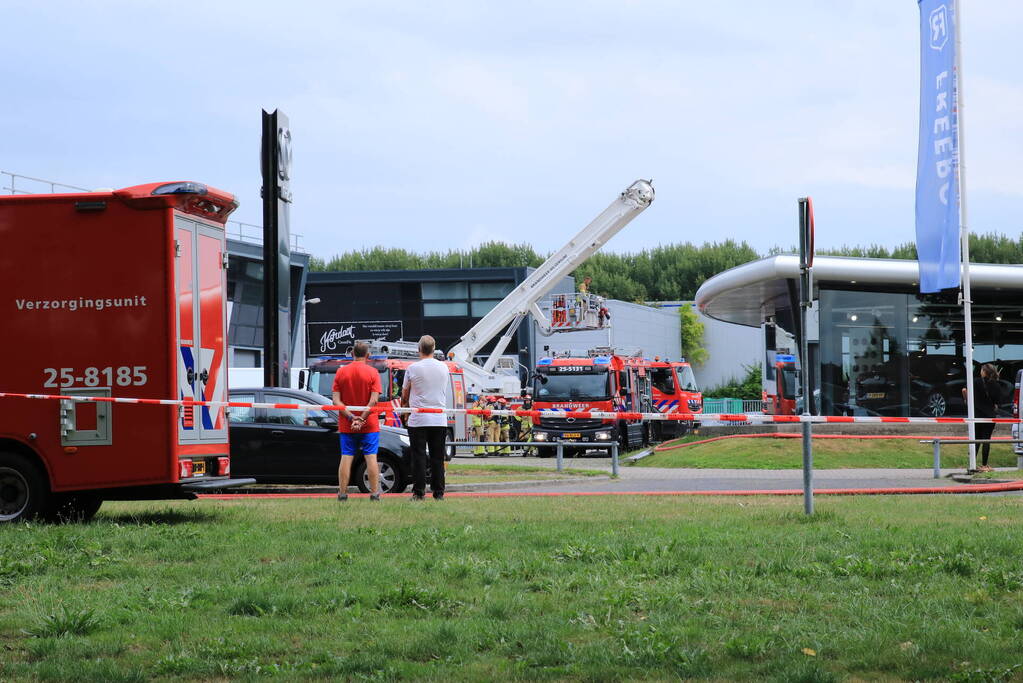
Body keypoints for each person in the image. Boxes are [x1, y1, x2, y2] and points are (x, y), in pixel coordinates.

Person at [401, 335, 451, 500]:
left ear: (419, 349)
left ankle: (419, 492)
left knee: (419, 456)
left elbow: (405, 394)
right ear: (434, 349)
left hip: (419, 419)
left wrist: (404, 411)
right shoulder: (444, 367)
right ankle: (439, 493)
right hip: (439, 418)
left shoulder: (413, 368)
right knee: (438, 457)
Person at [331, 341, 381, 501]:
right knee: (371, 457)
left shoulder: (341, 372)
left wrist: (352, 417)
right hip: (370, 424)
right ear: (368, 355)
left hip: (347, 424)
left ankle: (343, 494)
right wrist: (362, 418)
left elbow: (336, 401)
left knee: (346, 456)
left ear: (352, 353)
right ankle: (374, 494)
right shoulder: (373, 372)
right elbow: (373, 401)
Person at [963, 363, 1003, 472]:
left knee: (976, 439)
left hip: (976, 415)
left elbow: (964, 391)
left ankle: (972, 464)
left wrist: (967, 400)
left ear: (984, 372)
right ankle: (985, 465)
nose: (980, 371)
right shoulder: (996, 385)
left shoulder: (975, 382)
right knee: (986, 440)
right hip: (990, 416)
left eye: (981, 370)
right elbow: (998, 402)